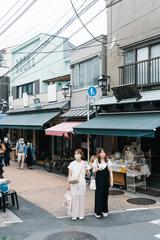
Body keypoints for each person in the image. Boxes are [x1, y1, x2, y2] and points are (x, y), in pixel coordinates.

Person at [67, 149, 89, 221]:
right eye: (75, 154)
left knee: (81, 199)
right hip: (73, 183)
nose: (76, 155)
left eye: (78, 154)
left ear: (81, 155)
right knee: (74, 199)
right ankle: (74, 215)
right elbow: (69, 175)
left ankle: (81, 215)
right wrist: (68, 184)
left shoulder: (85, 163)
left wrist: (87, 170)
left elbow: (88, 174)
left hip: (82, 183)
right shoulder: (72, 164)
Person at [93, 148, 113, 218]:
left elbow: (110, 172)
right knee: (98, 195)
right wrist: (98, 169)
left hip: (106, 181)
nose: (103, 153)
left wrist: (112, 181)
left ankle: (105, 210)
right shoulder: (96, 161)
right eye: (101, 152)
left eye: (103, 152)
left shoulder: (108, 161)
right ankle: (97, 212)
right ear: (98, 154)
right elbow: (93, 171)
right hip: (98, 181)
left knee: (105, 195)